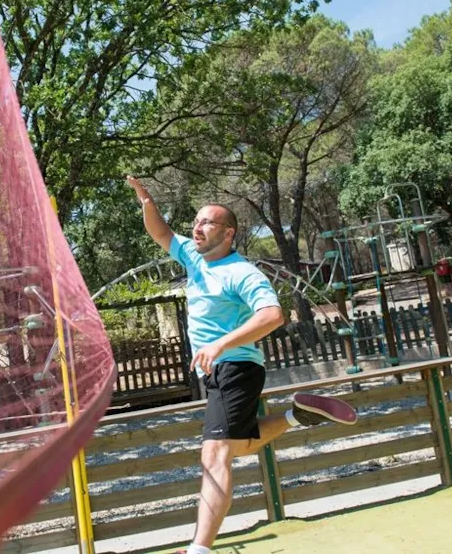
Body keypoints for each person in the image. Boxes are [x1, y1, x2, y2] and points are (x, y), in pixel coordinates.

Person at [126, 176, 358, 554]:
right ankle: (297, 417)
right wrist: (147, 199)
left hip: (236, 367)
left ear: (229, 233)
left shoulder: (243, 273)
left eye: (207, 223)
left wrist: (220, 343)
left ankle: (199, 549)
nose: (197, 228)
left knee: (215, 454)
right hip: (217, 372)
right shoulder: (192, 257)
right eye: (196, 223)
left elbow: (273, 315)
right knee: (242, 445)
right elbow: (161, 233)